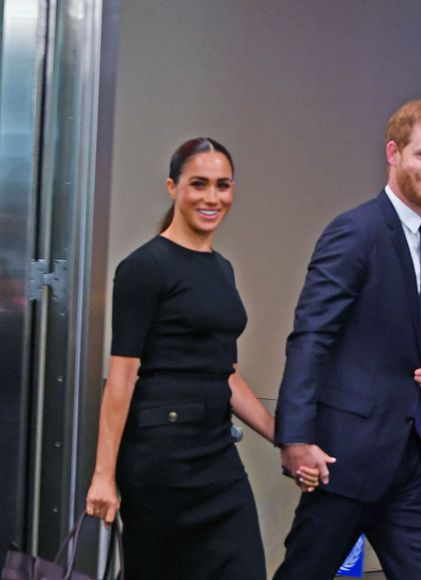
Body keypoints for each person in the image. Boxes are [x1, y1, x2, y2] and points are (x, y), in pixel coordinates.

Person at [86, 138, 318, 580]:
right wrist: (104, 476)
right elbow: (122, 379)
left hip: (215, 457)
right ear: (173, 187)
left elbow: (224, 373)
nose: (212, 198)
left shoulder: (221, 269)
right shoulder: (144, 267)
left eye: (223, 185)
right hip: (159, 461)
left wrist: (284, 439)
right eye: (199, 184)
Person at [273, 99, 421, 580]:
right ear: (393, 153)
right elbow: (310, 337)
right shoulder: (354, 232)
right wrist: (295, 438)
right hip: (345, 459)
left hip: (408, 462)